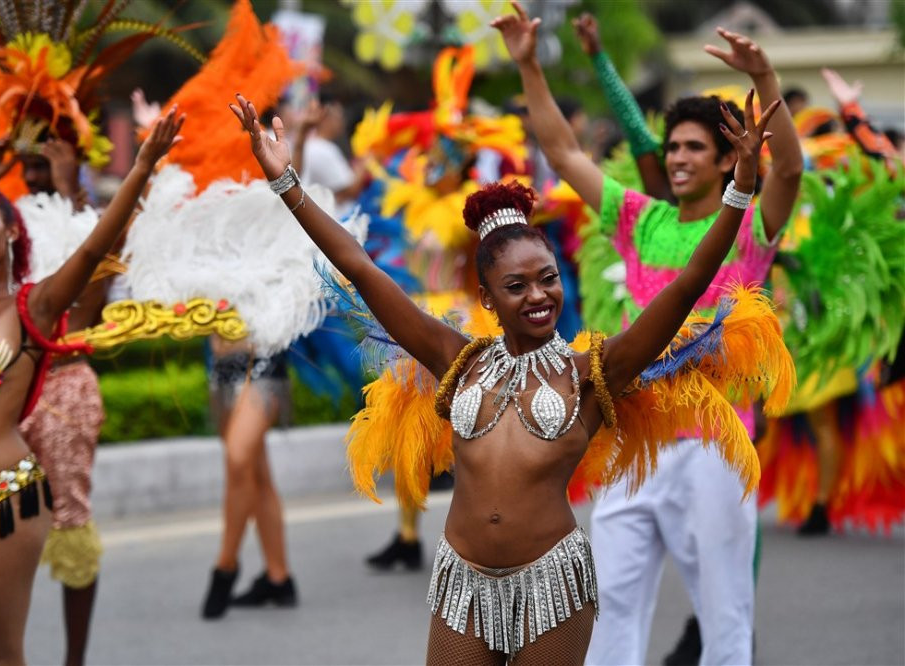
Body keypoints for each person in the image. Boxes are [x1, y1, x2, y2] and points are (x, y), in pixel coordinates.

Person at [229, 27, 783, 653]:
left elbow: (685, 288)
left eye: (548, 279)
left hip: (552, 583)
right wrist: (286, 184)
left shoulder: (592, 372)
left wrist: (739, 190)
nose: (540, 295)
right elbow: (359, 265)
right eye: (517, 286)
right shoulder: (457, 360)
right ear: (488, 299)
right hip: (460, 581)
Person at [495, 3, 803, 664]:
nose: (679, 157)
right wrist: (528, 67)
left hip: (716, 447)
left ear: (728, 160)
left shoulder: (747, 229)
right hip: (635, 440)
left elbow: (788, 172)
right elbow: (563, 150)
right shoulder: (640, 219)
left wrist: (766, 76)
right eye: (674, 146)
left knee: (725, 615)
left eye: (696, 147)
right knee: (612, 607)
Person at [0, 108, 183, 665]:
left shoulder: (36, 304)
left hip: (4, 498)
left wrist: (144, 165)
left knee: (2, 654)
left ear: (10, 233)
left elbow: (93, 250)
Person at [200, 335, 297, 618]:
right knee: (256, 472)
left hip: (263, 368)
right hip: (221, 372)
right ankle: (278, 577)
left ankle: (225, 566)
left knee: (238, 458)